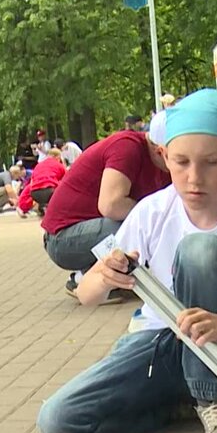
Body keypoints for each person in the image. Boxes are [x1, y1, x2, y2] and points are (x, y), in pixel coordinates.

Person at [37, 89, 217, 433]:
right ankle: (186, 402)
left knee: (200, 250)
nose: (194, 178)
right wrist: (105, 275)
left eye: (211, 163)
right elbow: (86, 295)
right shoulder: (151, 212)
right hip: (161, 344)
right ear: (164, 156)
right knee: (59, 419)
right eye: (181, 163)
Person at [40, 112, 171, 296]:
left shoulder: (162, 163)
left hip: (84, 231)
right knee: (140, 226)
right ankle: (85, 278)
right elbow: (111, 205)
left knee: (154, 224)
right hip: (62, 238)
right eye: (177, 157)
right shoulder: (128, 147)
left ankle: (103, 277)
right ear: (159, 150)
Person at [17, 147, 67, 216]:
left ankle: (41, 207)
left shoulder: (38, 166)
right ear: (58, 157)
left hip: (35, 193)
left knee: (38, 187)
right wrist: (63, 164)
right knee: (62, 187)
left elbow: (31, 184)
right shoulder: (59, 165)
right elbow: (67, 180)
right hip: (50, 191)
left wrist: (22, 205)